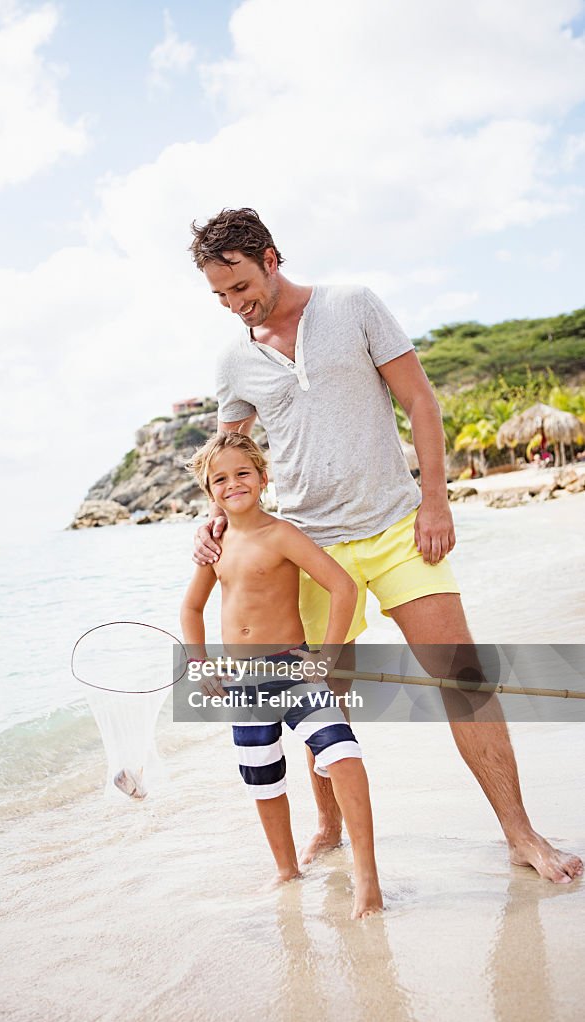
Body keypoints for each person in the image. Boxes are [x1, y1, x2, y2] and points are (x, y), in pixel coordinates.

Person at [187, 207, 583, 884]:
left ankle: (521, 835)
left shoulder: (353, 305)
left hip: (399, 528)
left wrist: (435, 500)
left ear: (271, 258)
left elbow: (420, 402)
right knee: (318, 696)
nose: (233, 303)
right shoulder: (234, 359)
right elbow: (228, 451)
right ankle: (330, 828)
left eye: (240, 285)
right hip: (309, 544)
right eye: (219, 295)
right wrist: (213, 518)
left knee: (464, 679)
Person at [180, 431, 383, 918]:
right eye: (220, 480)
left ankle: (369, 880)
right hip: (242, 682)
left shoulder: (282, 534)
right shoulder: (216, 546)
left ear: (263, 478)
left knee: (343, 755)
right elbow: (190, 608)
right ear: (211, 494)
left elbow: (342, 587)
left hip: (294, 671)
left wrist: (327, 657)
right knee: (264, 778)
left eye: (242, 473)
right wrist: (198, 663)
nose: (233, 484)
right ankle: (286, 869)